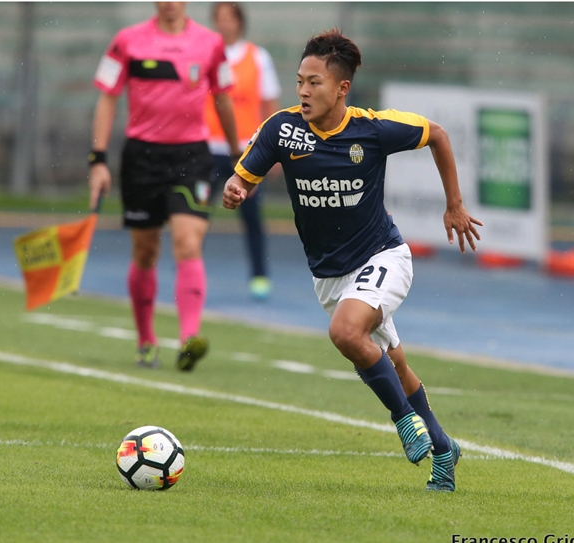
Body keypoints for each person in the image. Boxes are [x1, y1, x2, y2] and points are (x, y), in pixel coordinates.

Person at [223, 29, 483, 492]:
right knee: (395, 364)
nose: (303, 91)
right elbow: (245, 176)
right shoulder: (282, 129)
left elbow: (438, 136)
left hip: (384, 255)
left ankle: (405, 421)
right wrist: (238, 188)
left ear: (342, 88)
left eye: (315, 82)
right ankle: (444, 449)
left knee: (345, 332)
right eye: (300, 81)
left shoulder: (373, 128)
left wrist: (454, 205)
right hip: (329, 275)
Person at [89, 2, 240, 372]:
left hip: (192, 157)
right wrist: (98, 161)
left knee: (188, 240)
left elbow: (223, 98)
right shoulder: (127, 41)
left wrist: (240, 155)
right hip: (141, 157)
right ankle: (145, 341)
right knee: (145, 250)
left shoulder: (210, 44)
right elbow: (107, 99)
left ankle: (189, 339)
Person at [204, 2, 281, 301]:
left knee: (252, 217)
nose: (224, 24)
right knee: (196, 216)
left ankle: (259, 275)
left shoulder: (258, 58)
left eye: (229, 18)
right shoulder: (205, 54)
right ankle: (190, 271)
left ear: (239, 22)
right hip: (208, 148)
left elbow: (270, 103)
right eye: (219, 18)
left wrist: (272, 150)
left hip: (246, 154)